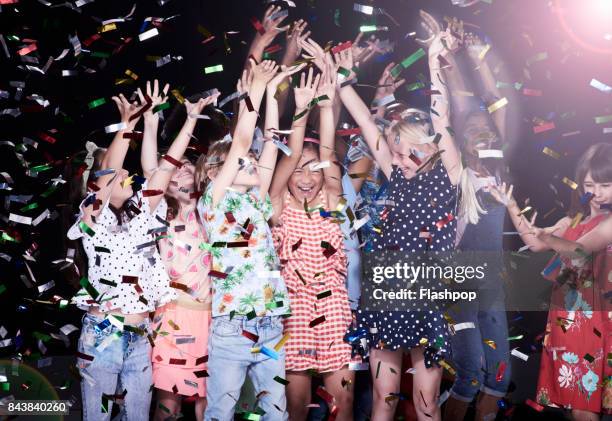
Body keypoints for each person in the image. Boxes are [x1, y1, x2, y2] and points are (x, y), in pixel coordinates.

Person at [300, 25, 477, 419]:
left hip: (428, 295)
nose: (393, 162)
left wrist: (433, 59)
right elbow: (365, 121)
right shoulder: (397, 173)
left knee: (426, 402)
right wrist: (341, 79)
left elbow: (441, 114)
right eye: (392, 155)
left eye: (401, 154)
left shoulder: (447, 171)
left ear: (422, 146)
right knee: (385, 397)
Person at [69, 82, 209, 419]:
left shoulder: (146, 213)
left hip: (141, 335)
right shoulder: (92, 218)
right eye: (116, 174)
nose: (125, 175)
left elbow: (167, 165)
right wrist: (126, 128)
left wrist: (190, 120)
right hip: (103, 336)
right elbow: (107, 174)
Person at [195, 59, 301, 421]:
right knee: (220, 413)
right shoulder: (214, 199)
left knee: (276, 413)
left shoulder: (256, 198)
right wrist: (254, 87)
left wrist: (273, 93)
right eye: (244, 161)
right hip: (232, 328)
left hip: (271, 325)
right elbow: (242, 141)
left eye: (252, 160)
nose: (253, 161)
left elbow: (269, 143)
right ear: (214, 172)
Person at [491, 142, 612, 421]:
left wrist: (548, 237)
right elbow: (533, 242)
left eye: (606, 184)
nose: (597, 193)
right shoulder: (572, 219)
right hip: (566, 319)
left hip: (595, 320)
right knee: (573, 403)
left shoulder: (609, 221)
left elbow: (579, 250)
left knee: (585, 404)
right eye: (591, 184)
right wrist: (511, 205)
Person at [269, 61, 354, 421]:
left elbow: (328, 156)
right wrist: (301, 113)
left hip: (334, 304)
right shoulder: (276, 204)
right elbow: (286, 164)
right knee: (297, 409)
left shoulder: (332, 200)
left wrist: (325, 107)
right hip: (293, 309)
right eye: (297, 170)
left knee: (342, 408)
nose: (306, 178)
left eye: (312, 170)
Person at [135, 81, 219, 421]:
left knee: (208, 403)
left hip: (213, 319)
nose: (181, 168)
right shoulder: (160, 217)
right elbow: (152, 168)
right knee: (167, 404)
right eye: (174, 168)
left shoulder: (212, 207)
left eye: (188, 165)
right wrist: (152, 122)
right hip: (172, 315)